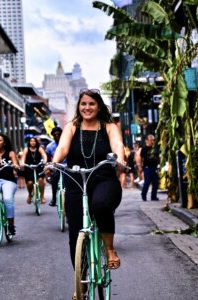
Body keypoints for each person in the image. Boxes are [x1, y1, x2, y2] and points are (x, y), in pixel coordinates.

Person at [48, 88, 125, 278]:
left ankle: (109, 249)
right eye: (83, 104)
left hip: (104, 179)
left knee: (100, 205)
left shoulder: (108, 126)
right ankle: (81, 281)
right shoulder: (72, 126)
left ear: (98, 107)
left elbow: (117, 145)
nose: (87, 107)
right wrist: (54, 162)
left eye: (91, 104)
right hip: (76, 181)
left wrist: (119, 160)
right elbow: (63, 147)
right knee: (75, 234)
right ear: (78, 106)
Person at [21, 137, 48, 204]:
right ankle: (30, 195)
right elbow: (23, 158)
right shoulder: (26, 149)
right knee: (30, 183)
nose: (33, 142)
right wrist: (22, 163)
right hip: (29, 168)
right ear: (29, 142)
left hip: (38, 167)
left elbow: (44, 155)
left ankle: (42, 196)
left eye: (34, 141)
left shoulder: (40, 148)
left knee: (41, 180)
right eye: (31, 141)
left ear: (36, 142)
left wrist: (45, 161)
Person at [45, 126, 63, 206]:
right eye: (55, 135)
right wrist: (48, 168)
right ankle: (54, 199)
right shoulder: (49, 146)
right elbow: (48, 159)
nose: (57, 136)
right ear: (52, 135)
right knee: (54, 180)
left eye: (58, 134)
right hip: (56, 167)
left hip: (67, 167)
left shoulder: (66, 143)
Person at [140, 134, 160, 201]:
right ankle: (143, 195)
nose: (152, 141)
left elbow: (158, 156)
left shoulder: (155, 148)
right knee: (147, 182)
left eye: (153, 140)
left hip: (154, 167)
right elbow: (141, 158)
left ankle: (153, 196)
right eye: (151, 140)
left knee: (155, 182)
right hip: (147, 168)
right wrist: (140, 167)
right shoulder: (144, 149)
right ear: (147, 140)